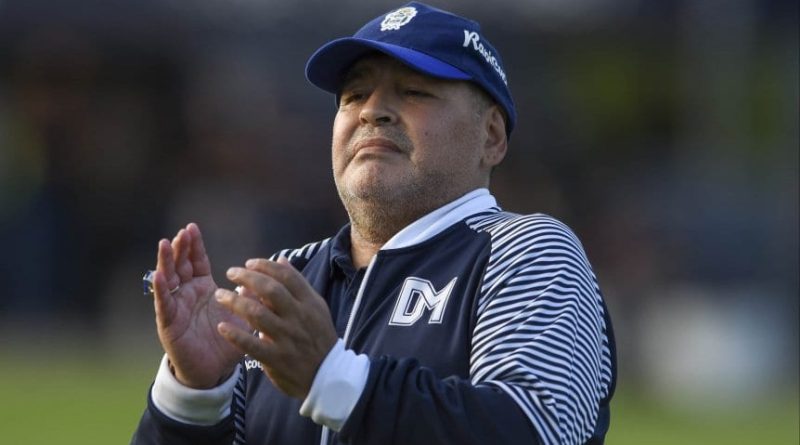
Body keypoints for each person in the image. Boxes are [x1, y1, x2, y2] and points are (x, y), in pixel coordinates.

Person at [131, 2, 616, 445]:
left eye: (414, 91)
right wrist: (193, 397)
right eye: (355, 94)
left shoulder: (526, 251)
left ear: (490, 136)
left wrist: (334, 380)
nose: (372, 111)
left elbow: (541, 428)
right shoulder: (288, 276)